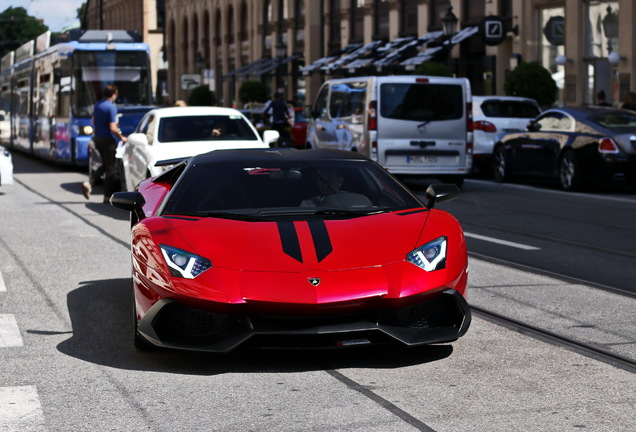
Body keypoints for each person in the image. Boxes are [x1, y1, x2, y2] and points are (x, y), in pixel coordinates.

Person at [82, 85, 127, 202]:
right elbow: (112, 127)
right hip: (108, 140)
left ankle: (89, 183)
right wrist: (121, 137)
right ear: (113, 94)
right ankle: (107, 197)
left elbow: (93, 120)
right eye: (116, 94)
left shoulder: (98, 105)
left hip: (98, 138)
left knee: (106, 165)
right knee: (111, 169)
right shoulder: (111, 107)